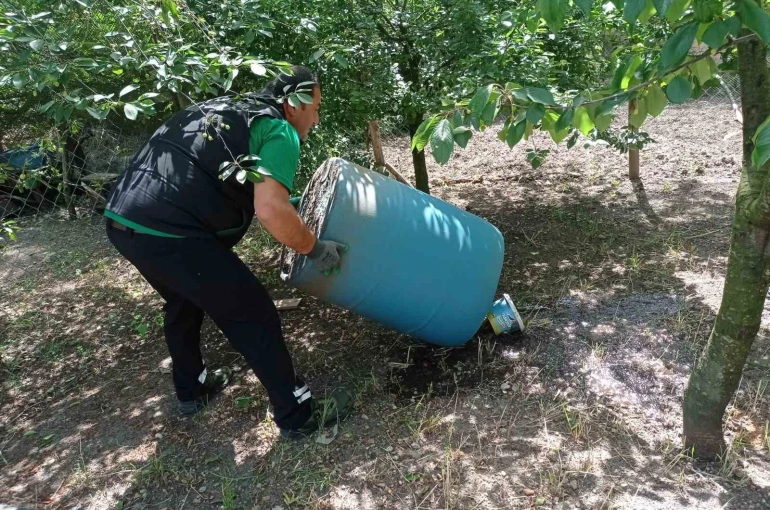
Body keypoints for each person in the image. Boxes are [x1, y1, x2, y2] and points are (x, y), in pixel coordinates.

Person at [103, 66, 353, 439]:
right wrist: (315, 248)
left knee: (183, 298)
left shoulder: (227, 106)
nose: (316, 118)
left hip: (124, 219)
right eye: (315, 107)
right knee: (252, 311)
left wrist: (288, 203)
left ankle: (193, 388)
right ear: (294, 102)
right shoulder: (278, 129)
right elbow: (271, 211)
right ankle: (297, 415)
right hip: (169, 230)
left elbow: (219, 174)